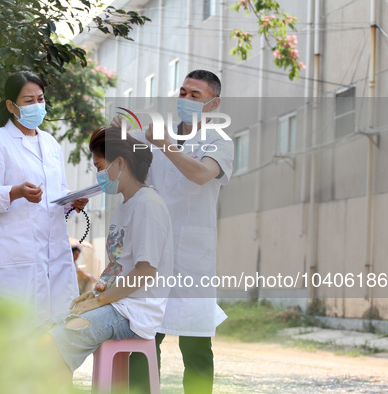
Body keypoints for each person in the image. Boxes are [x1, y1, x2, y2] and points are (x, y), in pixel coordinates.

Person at [113, 70, 234, 393]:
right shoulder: (154, 134)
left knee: (195, 349)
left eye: (195, 95)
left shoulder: (218, 141)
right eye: (183, 92)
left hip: (193, 259)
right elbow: (121, 161)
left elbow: (201, 174)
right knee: (144, 338)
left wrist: (166, 146)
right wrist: (117, 136)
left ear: (213, 103)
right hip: (152, 254)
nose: (186, 99)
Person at [46, 126, 174, 378]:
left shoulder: (148, 205)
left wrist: (98, 301)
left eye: (99, 166)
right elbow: (118, 266)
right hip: (116, 303)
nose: (98, 174)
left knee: (53, 344)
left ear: (119, 162)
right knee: (44, 331)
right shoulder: (126, 205)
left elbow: (145, 272)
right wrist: (93, 294)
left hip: (133, 312)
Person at [0, 71, 87, 322]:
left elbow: (56, 194)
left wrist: (71, 201)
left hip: (53, 255)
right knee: (13, 336)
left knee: (53, 336)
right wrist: (16, 191)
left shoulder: (51, 144)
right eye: (28, 100)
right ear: (11, 106)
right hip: (15, 257)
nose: (37, 106)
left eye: (41, 99)